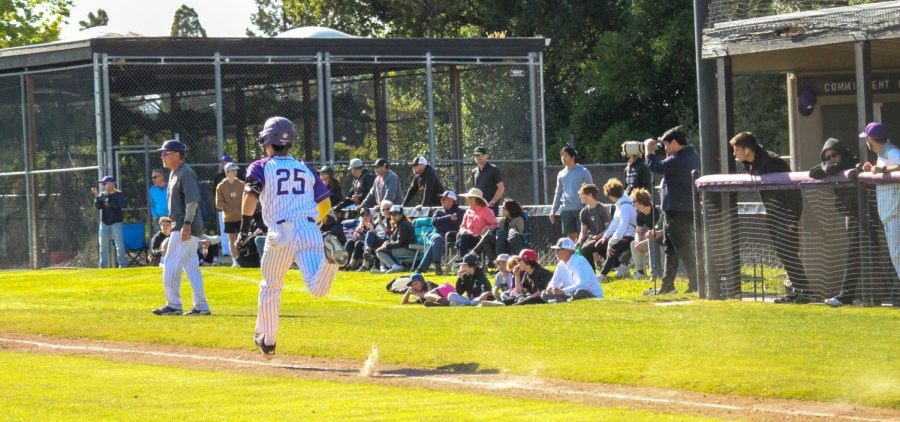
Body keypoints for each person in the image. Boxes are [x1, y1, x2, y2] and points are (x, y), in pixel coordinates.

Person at [237, 116, 339, 358]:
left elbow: (251, 197)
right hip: (309, 228)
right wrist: (314, 223)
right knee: (317, 288)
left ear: (266, 140)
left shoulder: (261, 165)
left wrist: (243, 231)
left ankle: (268, 341)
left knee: (271, 286)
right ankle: (331, 261)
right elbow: (325, 202)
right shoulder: (305, 167)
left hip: (280, 231)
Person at [730, 132, 810, 303]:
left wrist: (791, 219)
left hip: (787, 213)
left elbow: (794, 193)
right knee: (782, 252)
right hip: (772, 213)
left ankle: (805, 291)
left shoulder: (773, 162)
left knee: (788, 251)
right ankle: (797, 290)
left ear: (747, 150)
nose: (734, 153)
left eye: (736, 149)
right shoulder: (747, 162)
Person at [152, 140, 210, 316]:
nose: (162, 156)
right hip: (183, 224)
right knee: (191, 265)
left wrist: (187, 224)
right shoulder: (174, 173)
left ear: (177, 155)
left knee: (170, 261)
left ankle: (174, 305)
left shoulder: (186, 173)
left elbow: (192, 202)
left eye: (165, 153)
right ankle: (201, 306)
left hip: (184, 225)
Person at [644, 127, 700, 295]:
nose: (665, 149)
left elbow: (655, 166)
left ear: (675, 143)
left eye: (666, 145)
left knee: (683, 248)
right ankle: (668, 284)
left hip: (677, 210)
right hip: (680, 209)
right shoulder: (691, 155)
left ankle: (697, 282)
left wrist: (648, 149)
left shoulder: (680, 158)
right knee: (671, 248)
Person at [808, 138, 861, 307]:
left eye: (834, 155)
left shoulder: (850, 161)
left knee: (884, 254)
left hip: (868, 214)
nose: (831, 159)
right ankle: (847, 296)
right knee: (858, 255)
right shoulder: (830, 166)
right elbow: (812, 173)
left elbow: (839, 166)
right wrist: (826, 166)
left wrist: (830, 167)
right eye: (827, 157)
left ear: (841, 153)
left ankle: (846, 296)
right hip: (853, 215)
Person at [859, 122, 900, 285]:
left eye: (866, 139)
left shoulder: (891, 150)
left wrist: (882, 170)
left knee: (897, 254)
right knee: (896, 255)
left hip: (896, 214)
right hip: (891, 215)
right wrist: (873, 169)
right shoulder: (882, 154)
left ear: (871, 139)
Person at [595, 179, 637, 282]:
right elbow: (615, 223)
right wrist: (605, 237)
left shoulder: (625, 206)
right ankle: (622, 268)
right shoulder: (620, 204)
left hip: (631, 236)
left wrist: (611, 241)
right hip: (623, 235)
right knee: (599, 245)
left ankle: (602, 275)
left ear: (611, 195)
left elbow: (622, 227)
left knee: (612, 247)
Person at [550, 146, 593, 241]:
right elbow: (558, 193)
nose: (563, 158)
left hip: (582, 209)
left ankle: (582, 255)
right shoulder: (561, 174)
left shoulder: (583, 171)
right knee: (570, 239)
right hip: (566, 210)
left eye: (566, 155)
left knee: (584, 237)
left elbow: (591, 190)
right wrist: (553, 211)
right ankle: (573, 255)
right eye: (562, 156)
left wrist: (590, 207)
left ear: (573, 157)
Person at [415, 190, 463, 275]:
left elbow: (458, 224)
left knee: (437, 241)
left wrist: (442, 222)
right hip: (436, 233)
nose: (441, 201)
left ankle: (422, 268)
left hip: (450, 235)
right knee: (437, 238)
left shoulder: (460, 212)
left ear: (451, 200)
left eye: (444, 199)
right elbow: (434, 222)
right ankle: (437, 265)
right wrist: (448, 218)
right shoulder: (439, 211)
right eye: (441, 199)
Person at [542, 238, 604, 302]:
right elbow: (554, 282)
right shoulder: (561, 264)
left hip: (593, 296)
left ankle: (565, 302)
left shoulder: (579, 261)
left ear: (568, 251)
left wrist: (563, 291)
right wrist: (550, 288)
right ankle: (566, 303)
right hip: (571, 295)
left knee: (579, 293)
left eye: (558, 250)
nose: (555, 252)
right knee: (544, 294)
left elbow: (583, 285)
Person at [469, 198, 526, 263]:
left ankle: (472, 255)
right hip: (500, 243)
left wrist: (504, 231)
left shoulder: (519, 219)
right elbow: (497, 233)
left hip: (511, 244)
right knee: (486, 244)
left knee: (490, 235)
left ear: (510, 209)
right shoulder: (503, 221)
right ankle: (496, 265)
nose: (502, 210)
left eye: (504, 208)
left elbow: (518, 234)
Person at [92, 175, 126, 269]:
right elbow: (98, 207)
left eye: (105, 183)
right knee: (103, 246)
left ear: (112, 183)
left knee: (119, 246)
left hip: (116, 222)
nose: (104, 185)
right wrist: (97, 197)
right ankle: (102, 267)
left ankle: (122, 265)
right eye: (103, 184)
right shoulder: (103, 194)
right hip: (104, 223)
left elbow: (117, 205)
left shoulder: (119, 194)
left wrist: (107, 201)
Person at [630, 188, 664, 281]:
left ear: (640, 201)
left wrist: (643, 241)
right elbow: (638, 231)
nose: (632, 204)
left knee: (652, 241)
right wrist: (638, 241)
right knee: (633, 244)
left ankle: (658, 273)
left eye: (634, 201)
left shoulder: (656, 211)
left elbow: (660, 230)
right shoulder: (640, 214)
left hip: (661, 238)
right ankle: (640, 272)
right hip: (651, 237)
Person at [576, 183, 611, 272]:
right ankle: (591, 273)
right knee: (583, 247)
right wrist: (580, 241)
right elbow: (583, 232)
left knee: (586, 248)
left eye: (581, 194)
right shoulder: (583, 212)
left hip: (605, 237)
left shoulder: (602, 208)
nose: (580, 197)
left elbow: (609, 228)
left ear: (590, 194)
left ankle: (591, 272)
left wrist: (598, 236)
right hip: (592, 238)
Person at [455, 188, 498, 258]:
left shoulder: (486, 211)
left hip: (480, 238)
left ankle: (465, 261)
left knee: (461, 240)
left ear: (478, 199)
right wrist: (463, 230)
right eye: (468, 198)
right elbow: (462, 226)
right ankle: (465, 260)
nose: (468, 200)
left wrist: (486, 228)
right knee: (461, 239)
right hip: (467, 238)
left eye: (471, 198)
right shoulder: (468, 211)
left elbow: (495, 225)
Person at [216, 162, 245, 267]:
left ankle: (243, 258)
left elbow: (247, 199)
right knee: (231, 238)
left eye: (235, 170)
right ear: (226, 172)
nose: (235, 172)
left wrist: (242, 211)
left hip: (241, 217)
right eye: (232, 170)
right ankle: (235, 260)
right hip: (228, 218)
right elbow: (218, 203)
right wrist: (229, 209)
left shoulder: (242, 184)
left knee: (243, 238)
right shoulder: (221, 186)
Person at [373, 204, 415, 274]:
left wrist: (387, 245)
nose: (393, 216)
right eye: (391, 214)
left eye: (395, 214)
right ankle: (383, 269)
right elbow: (394, 241)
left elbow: (399, 242)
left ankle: (394, 267)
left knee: (380, 251)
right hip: (404, 248)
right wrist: (387, 243)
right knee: (382, 248)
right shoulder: (398, 224)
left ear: (401, 215)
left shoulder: (403, 225)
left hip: (409, 250)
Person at [471, 146, 505, 213]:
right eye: (475, 155)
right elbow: (474, 190)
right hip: (478, 208)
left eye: (480, 155)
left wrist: (492, 203)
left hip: (491, 208)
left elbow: (501, 188)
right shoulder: (474, 171)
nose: (478, 157)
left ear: (487, 156)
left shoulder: (494, 169)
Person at [362, 200, 394, 271]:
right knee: (369, 233)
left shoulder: (392, 219)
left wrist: (382, 224)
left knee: (369, 237)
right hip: (377, 239)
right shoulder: (378, 220)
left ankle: (365, 264)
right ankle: (367, 252)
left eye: (388, 209)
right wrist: (371, 228)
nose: (385, 211)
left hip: (387, 240)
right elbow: (373, 233)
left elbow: (392, 234)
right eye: (383, 209)